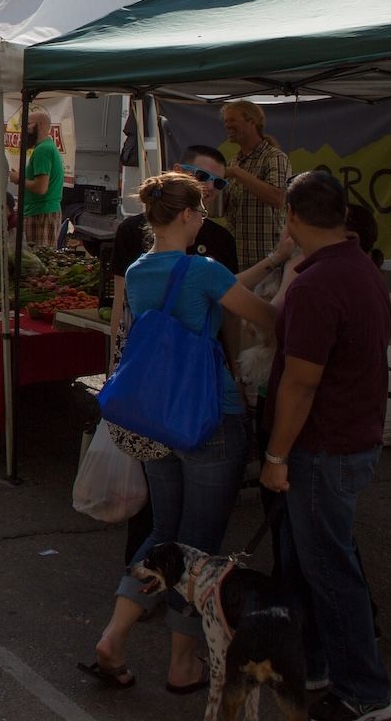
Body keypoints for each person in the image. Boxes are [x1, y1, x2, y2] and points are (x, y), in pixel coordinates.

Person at [84, 171, 277, 694]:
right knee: (199, 547)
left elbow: (222, 289)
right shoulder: (202, 270)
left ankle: (113, 634)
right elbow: (261, 313)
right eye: (201, 215)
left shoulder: (144, 268)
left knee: (162, 533)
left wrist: (275, 261)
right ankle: (182, 662)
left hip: (155, 418)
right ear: (190, 216)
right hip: (209, 416)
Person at [260, 172, 391, 721]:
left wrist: (275, 457)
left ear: (292, 216)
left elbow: (302, 381)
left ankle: (365, 691)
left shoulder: (320, 283)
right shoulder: (356, 266)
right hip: (345, 439)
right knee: (304, 564)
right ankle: (315, 662)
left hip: (324, 446)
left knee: (330, 571)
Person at [109, 146, 241, 291]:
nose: (210, 186)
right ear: (178, 171)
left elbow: (231, 292)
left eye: (218, 183)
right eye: (202, 176)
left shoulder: (222, 239)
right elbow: (121, 299)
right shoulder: (131, 230)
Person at [222, 100, 293, 262]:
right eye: (225, 121)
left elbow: (278, 198)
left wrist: (237, 173)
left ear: (252, 121)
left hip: (267, 258)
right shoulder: (234, 161)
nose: (227, 125)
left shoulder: (274, 157)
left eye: (232, 120)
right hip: (237, 256)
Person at [21, 107, 64, 248]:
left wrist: (19, 179)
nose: (24, 130)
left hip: (41, 213)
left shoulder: (42, 150)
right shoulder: (46, 147)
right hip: (42, 211)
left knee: (38, 261)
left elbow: (41, 188)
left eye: (26, 125)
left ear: (37, 126)